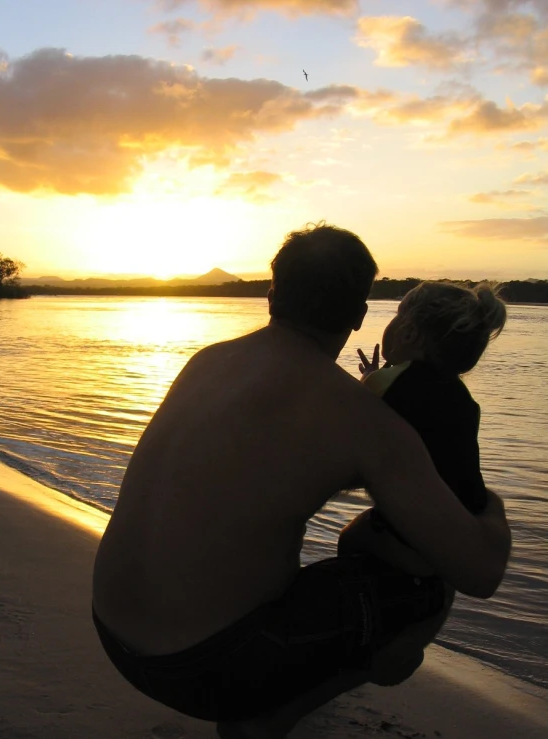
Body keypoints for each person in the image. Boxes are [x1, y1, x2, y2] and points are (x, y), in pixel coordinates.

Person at [92, 224, 511, 739]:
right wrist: (489, 504)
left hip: (112, 632)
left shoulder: (207, 361)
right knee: (424, 586)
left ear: (273, 296)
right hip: (204, 669)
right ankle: (269, 712)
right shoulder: (362, 419)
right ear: (360, 316)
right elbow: (480, 572)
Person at [338, 281, 507, 685]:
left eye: (397, 316)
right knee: (433, 578)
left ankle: (358, 619)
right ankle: (415, 630)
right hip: (461, 529)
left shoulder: (390, 384)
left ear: (410, 333)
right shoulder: (465, 402)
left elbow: (356, 417)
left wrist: (372, 382)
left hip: (405, 537)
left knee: (352, 537)